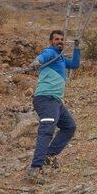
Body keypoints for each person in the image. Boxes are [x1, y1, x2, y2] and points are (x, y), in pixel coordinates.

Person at [28, 30, 81, 184]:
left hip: (56, 101)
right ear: (50, 41)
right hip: (45, 99)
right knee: (46, 130)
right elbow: (43, 56)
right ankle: (35, 167)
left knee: (69, 126)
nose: (60, 41)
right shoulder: (50, 52)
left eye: (61, 39)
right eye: (56, 39)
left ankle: (48, 155)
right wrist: (37, 62)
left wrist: (77, 47)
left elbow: (75, 64)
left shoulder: (61, 58)